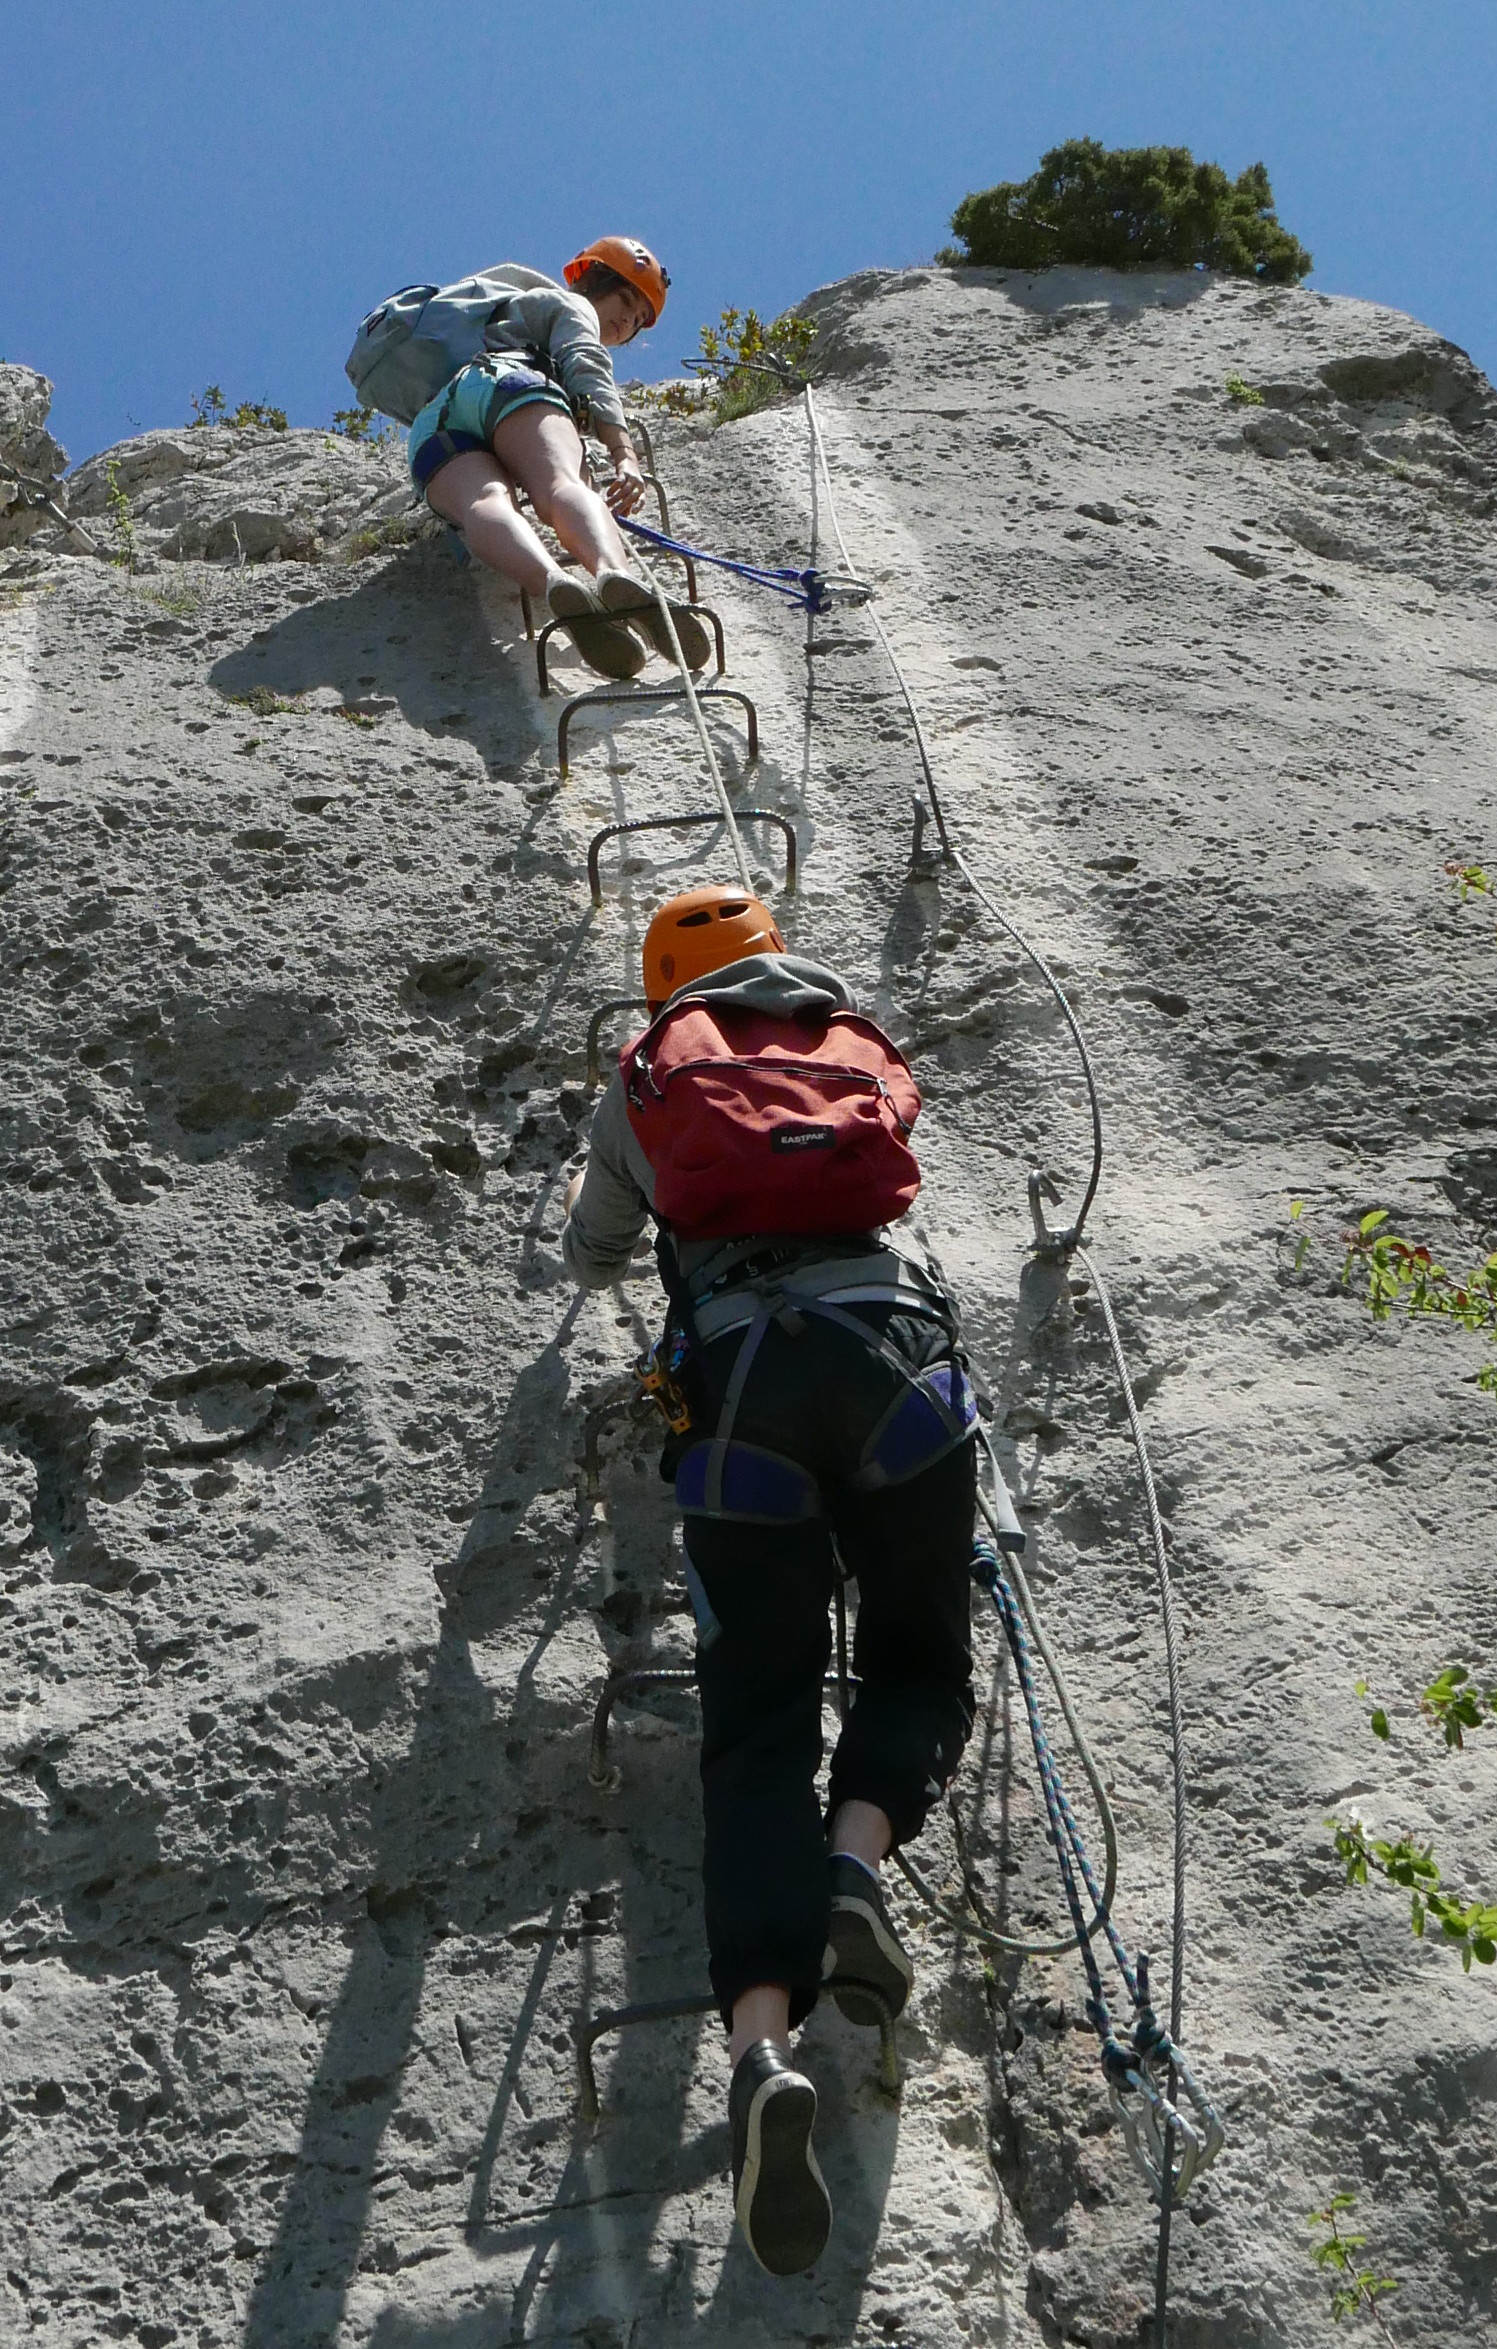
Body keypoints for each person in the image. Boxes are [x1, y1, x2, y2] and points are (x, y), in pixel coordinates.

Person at [559, 885, 981, 2277]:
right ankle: (854, 1864)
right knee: (917, 1654)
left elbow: (594, 1247)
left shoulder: (649, 1078)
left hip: (738, 1403)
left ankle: (758, 2050)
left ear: (660, 989)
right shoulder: (844, 1036)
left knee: (752, 1731)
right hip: (895, 1373)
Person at [406, 238, 710, 679]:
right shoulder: (569, 306)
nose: (628, 321)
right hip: (512, 385)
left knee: (485, 502)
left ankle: (553, 583)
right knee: (561, 484)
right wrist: (625, 456)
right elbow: (586, 365)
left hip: (435, 422)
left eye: (639, 321)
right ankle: (613, 575)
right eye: (625, 299)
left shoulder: (499, 315)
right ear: (592, 280)